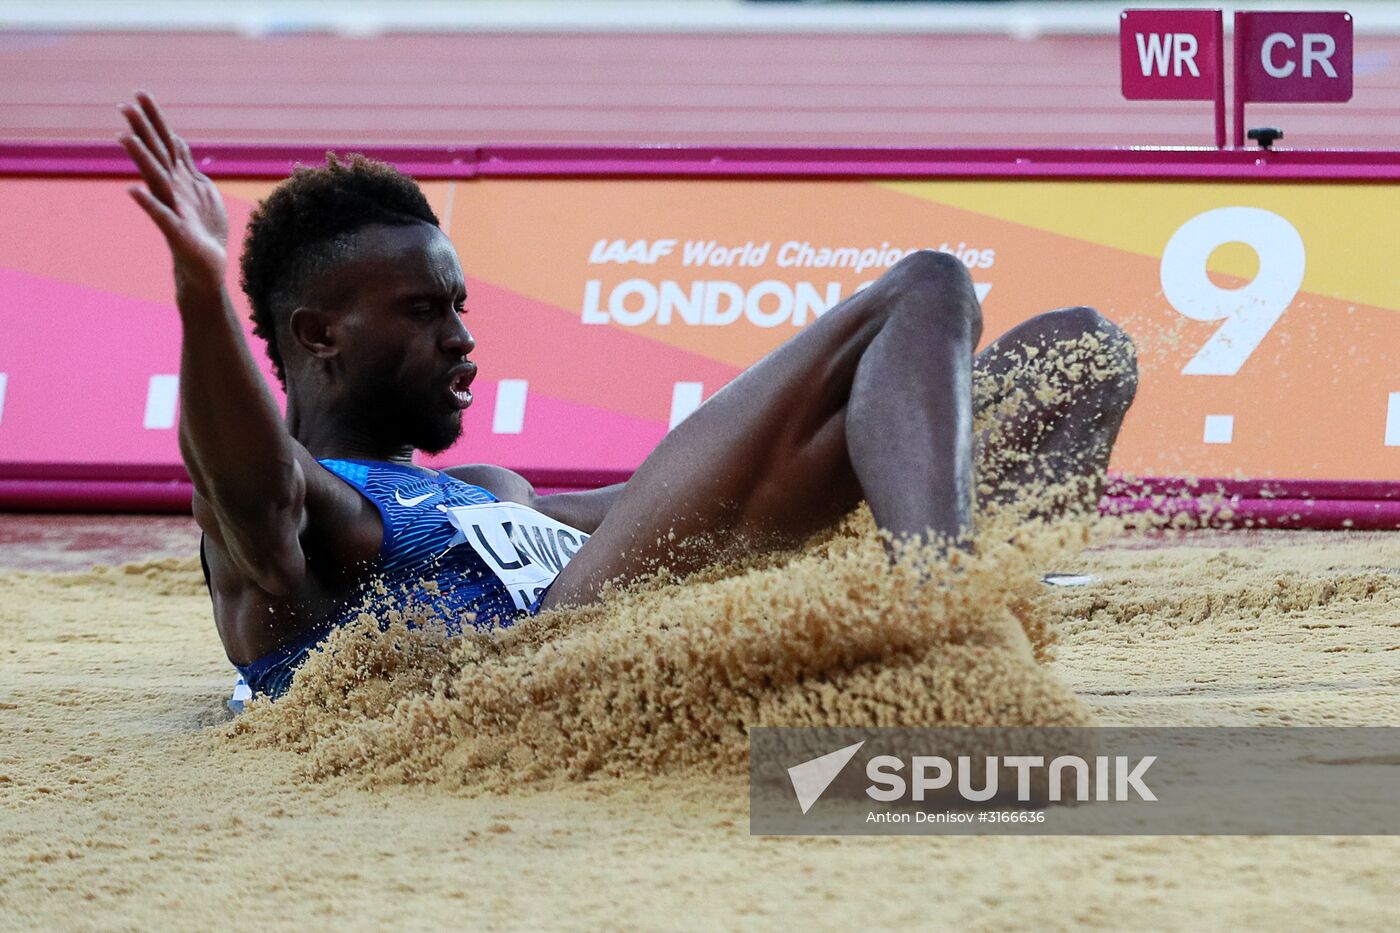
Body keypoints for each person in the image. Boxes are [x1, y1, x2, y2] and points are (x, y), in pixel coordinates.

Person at [117, 93, 1137, 699]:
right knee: (924, 285)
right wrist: (201, 296)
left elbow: (677, 498)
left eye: (461, 307)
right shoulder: (302, 525)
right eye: (426, 311)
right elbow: (251, 486)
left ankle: (971, 592)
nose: (463, 339)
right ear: (319, 335)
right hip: (542, 664)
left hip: (641, 606)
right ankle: (953, 610)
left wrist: (861, 443)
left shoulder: (486, 487)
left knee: (1078, 354)